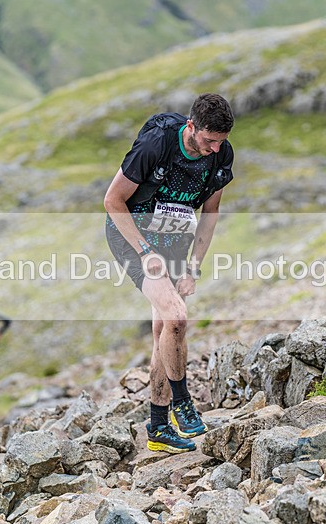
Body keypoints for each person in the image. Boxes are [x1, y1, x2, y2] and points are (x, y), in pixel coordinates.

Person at [104, 93, 235, 454]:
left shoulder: (221, 156)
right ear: (191, 127)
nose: (213, 149)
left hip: (175, 239)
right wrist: (145, 253)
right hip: (132, 236)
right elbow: (112, 201)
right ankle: (182, 402)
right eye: (208, 140)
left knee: (165, 329)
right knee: (177, 316)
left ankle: (158, 427)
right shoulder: (156, 145)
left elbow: (210, 214)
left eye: (220, 142)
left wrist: (193, 267)